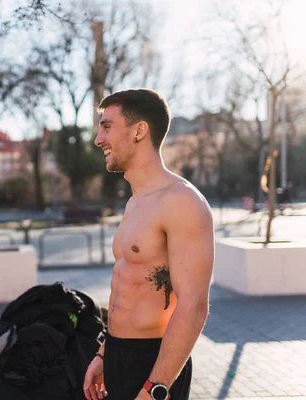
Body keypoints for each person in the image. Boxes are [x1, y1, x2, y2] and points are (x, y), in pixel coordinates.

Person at [83, 89, 214, 400]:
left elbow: (194, 305)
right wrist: (104, 354)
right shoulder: (136, 202)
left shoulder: (181, 201)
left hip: (154, 363)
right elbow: (129, 286)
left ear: (139, 130)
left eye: (107, 127)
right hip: (118, 355)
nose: (99, 140)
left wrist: (156, 387)